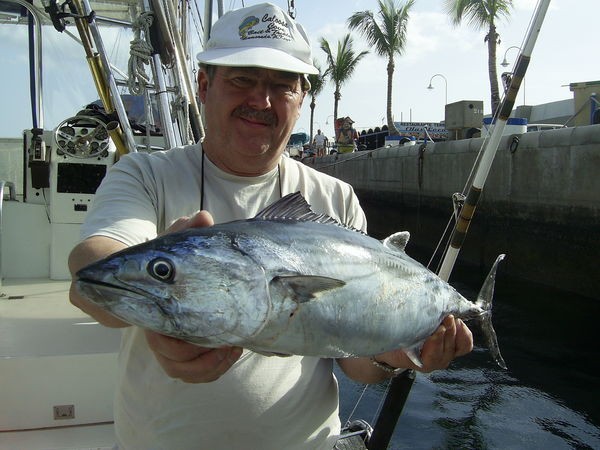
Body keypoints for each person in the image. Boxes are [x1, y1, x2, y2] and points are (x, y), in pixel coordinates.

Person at [68, 3, 473, 449]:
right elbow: (92, 271)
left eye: (282, 86)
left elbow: (355, 360)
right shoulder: (145, 174)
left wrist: (402, 355)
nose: (261, 101)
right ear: (204, 85)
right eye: (242, 79)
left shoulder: (334, 199)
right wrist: (164, 297)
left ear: (301, 99)